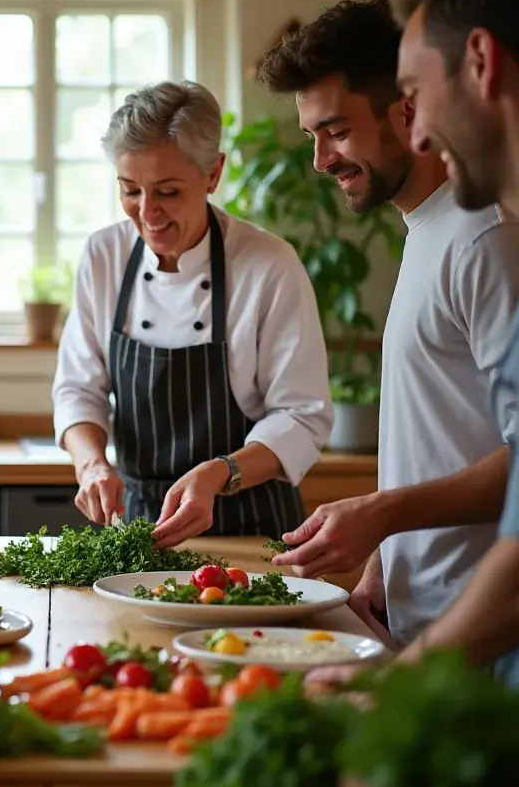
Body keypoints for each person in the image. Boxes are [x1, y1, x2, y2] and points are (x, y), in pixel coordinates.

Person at [257, 0, 519, 651]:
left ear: (405, 111)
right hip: (416, 622)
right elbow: (447, 434)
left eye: (337, 130)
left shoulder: (484, 238)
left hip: (478, 639)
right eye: (312, 134)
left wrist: (382, 513)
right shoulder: (425, 229)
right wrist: (387, 555)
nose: (320, 160)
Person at [51, 81, 332, 547]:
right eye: (130, 190)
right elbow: (79, 387)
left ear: (213, 173)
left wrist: (221, 472)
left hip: (252, 529)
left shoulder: (268, 265)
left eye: (167, 191)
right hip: (142, 530)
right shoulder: (104, 256)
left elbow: (302, 416)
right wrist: (92, 464)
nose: (147, 213)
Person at [379, 0, 519, 677]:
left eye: (416, 92)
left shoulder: (489, 241)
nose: (420, 132)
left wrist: (395, 684)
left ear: (481, 62)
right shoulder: (445, 228)